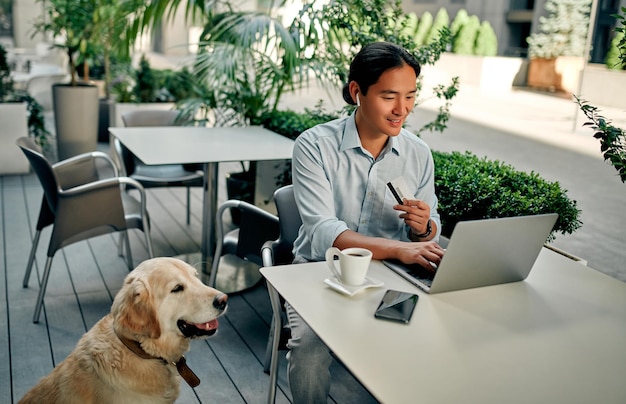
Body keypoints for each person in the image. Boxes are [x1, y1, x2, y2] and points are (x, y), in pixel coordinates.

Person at [287, 41, 446, 402]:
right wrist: (403, 248)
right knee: (309, 350)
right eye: (389, 96)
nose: (401, 110)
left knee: (433, 335)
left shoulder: (418, 154)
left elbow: (431, 224)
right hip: (319, 273)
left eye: (410, 96)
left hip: (391, 278)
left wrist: (422, 228)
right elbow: (325, 232)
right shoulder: (314, 146)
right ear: (357, 91)